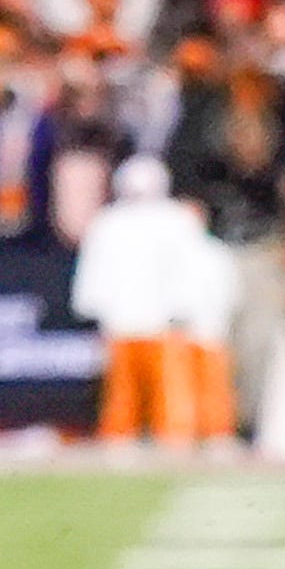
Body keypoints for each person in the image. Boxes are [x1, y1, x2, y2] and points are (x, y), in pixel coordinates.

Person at [72, 156, 219, 448]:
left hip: (162, 320)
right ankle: (119, 436)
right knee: (122, 388)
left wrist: (185, 307)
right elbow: (94, 268)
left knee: (169, 385)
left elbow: (191, 268)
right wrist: (92, 306)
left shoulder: (176, 220)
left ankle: (174, 436)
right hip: (121, 321)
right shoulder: (109, 222)